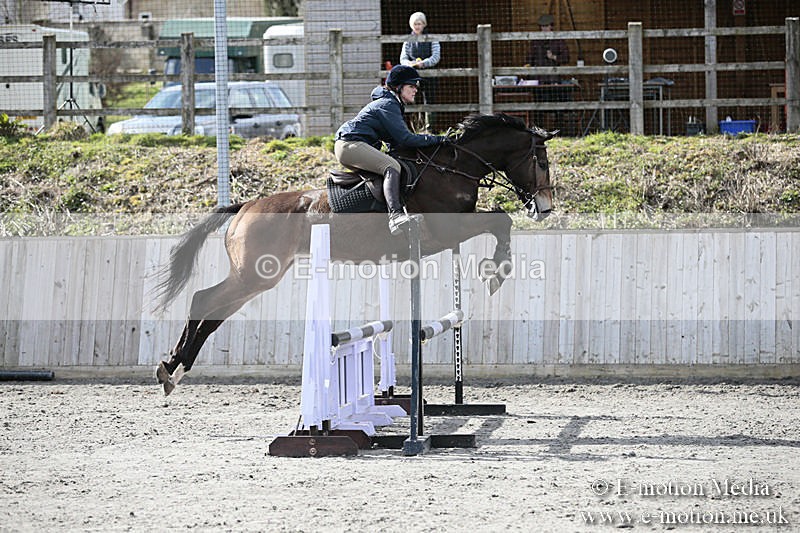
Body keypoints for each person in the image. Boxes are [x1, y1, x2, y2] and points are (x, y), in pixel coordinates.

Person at [334, 65, 449, 235]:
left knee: (394, 164)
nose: (415, 90)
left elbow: (395, 142)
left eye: (416, 87)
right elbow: (406, 138)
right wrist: (438, 139)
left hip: (353, 144)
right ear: (398, 87)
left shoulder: (391, 103)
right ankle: (395, 216)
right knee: (391, 166)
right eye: (411, 86)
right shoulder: (388, 104)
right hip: (350, 145)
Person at [399, 12, 440, 109]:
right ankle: (415, 123)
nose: (417, 26)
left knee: (430, 101)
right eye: (415, 24)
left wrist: (424, 63)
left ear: (424, 24)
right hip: (412, 75)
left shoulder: (432, 38)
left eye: (419, 24)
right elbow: (403, 58)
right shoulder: (408, 40)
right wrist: (409, 64)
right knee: (413, 100)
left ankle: (430, 123)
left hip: (429, 75)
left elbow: (436, 56)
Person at [525, 13, 569, 84]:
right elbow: (529, 59)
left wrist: (553, 57)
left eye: (546, 26)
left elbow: (566, 58)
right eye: (542, 26)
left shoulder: (558, 40)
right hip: (538, 78)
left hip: (553, 78)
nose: (544, 28)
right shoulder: (535, 41)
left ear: (551, 26)